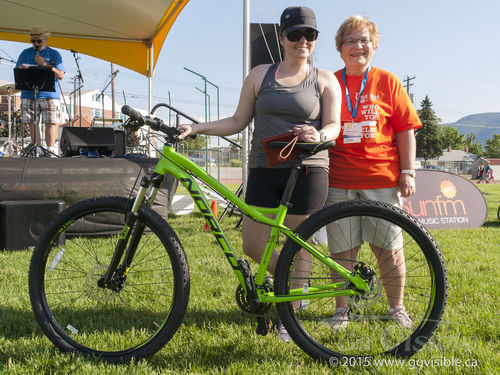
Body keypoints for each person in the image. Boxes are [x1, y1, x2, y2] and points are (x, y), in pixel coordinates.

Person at [178, 7, 341, 341]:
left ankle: (290, 318)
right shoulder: (260, 75)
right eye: (295, 34)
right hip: (263, 168)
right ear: (282, 37)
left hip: (307, 169)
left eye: (309, 35)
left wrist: (318, 136)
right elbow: (237, 121)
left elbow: (334, 126)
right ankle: (292, 284)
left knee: (300, 247)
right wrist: (196, 127)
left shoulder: (324, 79)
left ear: (315, 39)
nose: (302, 41)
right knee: (253, 245)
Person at [326, 15, 422, 329]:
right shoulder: (329, 82)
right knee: (342, 252)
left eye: (364, 40)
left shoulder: (388, 82)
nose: (358, 46)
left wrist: (407, 171)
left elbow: (406, 130)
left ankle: (397, 308)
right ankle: (343, 311)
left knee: (389, 250)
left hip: (382, 181)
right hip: (339, 181)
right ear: (340, 48)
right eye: (350, 41)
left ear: (374, 45)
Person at [16, 27, 65, 156]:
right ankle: (37, 148)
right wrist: (22, 70)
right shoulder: (25, 53)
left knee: (51, 121)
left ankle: (50, 149)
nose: (36, 44)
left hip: (49, 94)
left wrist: (44, 64)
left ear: (45, 39)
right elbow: (17, 73)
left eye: (39, 41)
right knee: (32, 122)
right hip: (29, 92)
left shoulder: (54, 54)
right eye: (33, 41)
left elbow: (60, 75)